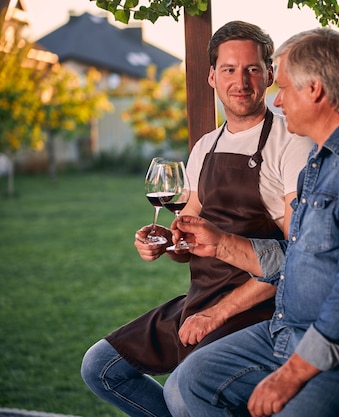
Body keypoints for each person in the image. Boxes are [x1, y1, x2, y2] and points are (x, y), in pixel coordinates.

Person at [163, 27, 339, 417]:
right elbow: (298, 256)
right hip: (292, 332)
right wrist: (219, 244)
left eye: (284, 87)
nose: (277, 98)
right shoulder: (321, 162)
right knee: (188, 384)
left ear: (316, 90)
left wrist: (291, 374)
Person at [80, 21, 313, 417]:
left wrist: (216, 314)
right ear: (212, 76)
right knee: (100, 367)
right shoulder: (207, 145)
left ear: (270, 74)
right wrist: (163, 242)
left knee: (182, 389)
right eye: (229, 70)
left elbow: (300, 259)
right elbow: (185, 241)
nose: (241, 81)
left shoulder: (291, 143)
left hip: (251, 309)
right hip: (199, 298)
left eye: (252, 69)